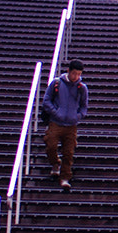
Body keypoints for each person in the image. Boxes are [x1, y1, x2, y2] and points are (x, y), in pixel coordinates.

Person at [43, 60, 89, 190]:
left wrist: (78, 116)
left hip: (71, 124)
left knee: (68, 152)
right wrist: (55, 113)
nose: (76, 77)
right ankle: (55, 164)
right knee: (50, 146)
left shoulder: (82, 88)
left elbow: (84, 106)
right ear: (68, 71)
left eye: (79, 74)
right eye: (74, 73)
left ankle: (65, 177)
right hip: (56, 122)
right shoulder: (56, 83)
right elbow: (46, 100)